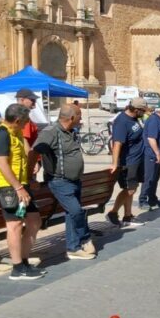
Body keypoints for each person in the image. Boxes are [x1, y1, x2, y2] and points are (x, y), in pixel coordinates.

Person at [31, 103, 95, 261]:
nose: (81, 119)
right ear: (72, 117)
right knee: (76, 211)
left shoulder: (70, 131)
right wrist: (30, 173)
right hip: (59, 181)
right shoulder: (51, 132)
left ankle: (73, 247)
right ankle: (85, 238)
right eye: (80, 116)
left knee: (71, 213)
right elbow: (34, 151)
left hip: (74, 180)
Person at [0, 104, 44, 280]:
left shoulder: (16, 133)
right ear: (18, 120)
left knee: (34, 220)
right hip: (7, 188)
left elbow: (25, 153)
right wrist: (18, 188)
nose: (27, 124)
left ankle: (24, 260)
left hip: (20, 185)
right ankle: (17, 267)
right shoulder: (2, 135)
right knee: (15, 225)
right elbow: (2, 164)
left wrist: (30, 177)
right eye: (25, 121)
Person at [107, 97, 148, 227]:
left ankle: (128, 216)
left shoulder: (134, 118)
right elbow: (117, 144)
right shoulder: (122, 122)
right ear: (136, 110)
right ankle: (113, 212)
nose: (144, 113)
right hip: (127, 162)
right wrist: (114, 163)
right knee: (129, 189)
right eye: (143, 110)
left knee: (132, 189)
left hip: (136, 160)